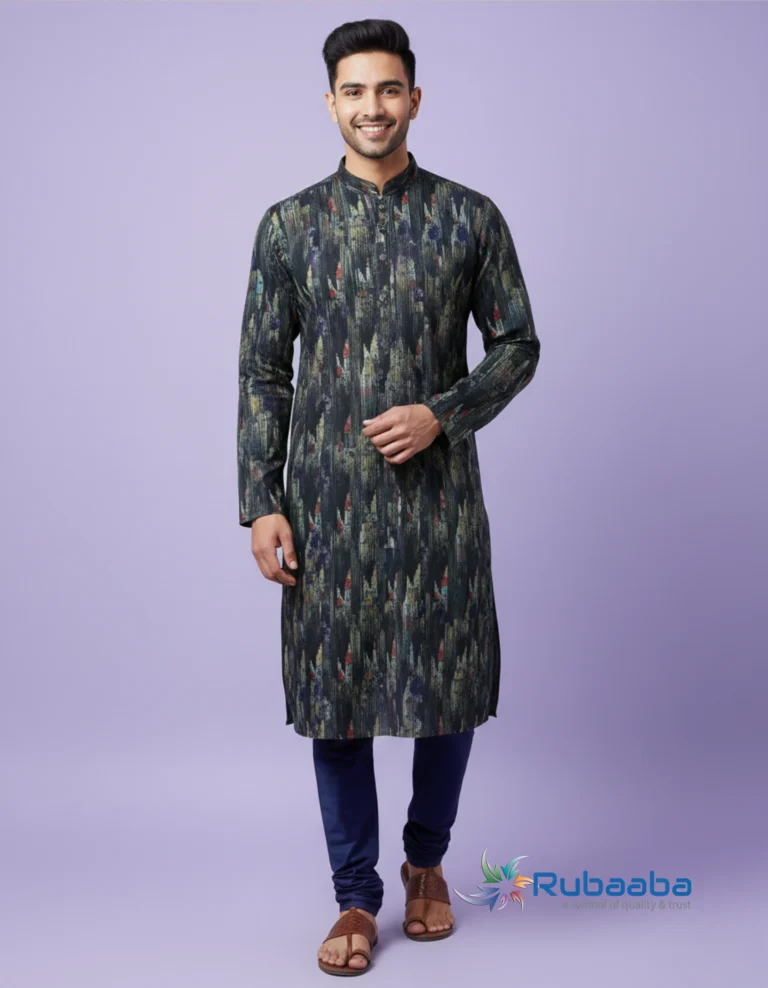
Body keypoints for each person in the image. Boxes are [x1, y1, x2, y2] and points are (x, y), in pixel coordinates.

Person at [236, 18, 541, 976]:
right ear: (330, 103)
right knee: (336, 703)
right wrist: (262, 500)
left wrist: (442, 414)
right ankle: (355, 898)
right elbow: (262, 373)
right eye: (355, 91)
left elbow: (519, 344)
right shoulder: (288, 226)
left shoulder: (469, 217)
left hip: (437, 501)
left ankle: (427, 862)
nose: (373, 107)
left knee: (449, 692)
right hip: (325, 505)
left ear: (415, 98)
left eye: (389, 89)